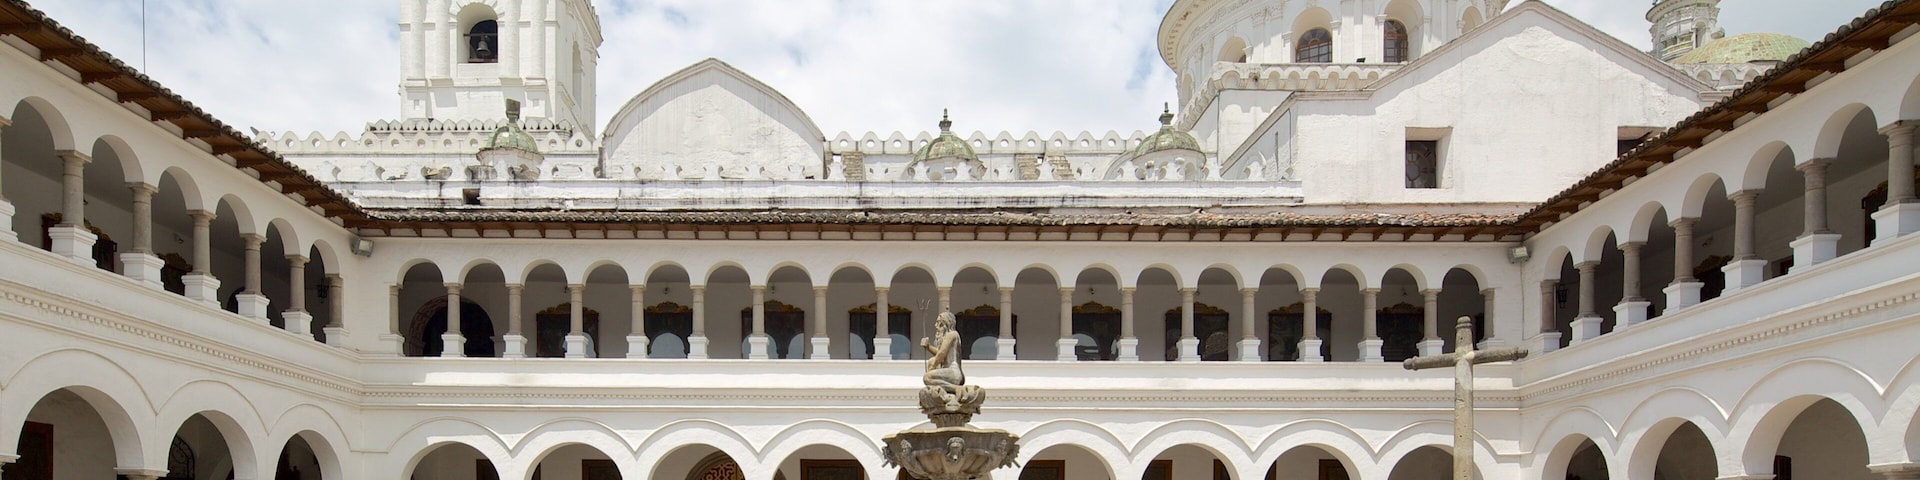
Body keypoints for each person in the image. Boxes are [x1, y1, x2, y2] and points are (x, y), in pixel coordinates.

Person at [922, 312, 965, 387]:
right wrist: (928, 346)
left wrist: (932, 366)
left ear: (945, 323)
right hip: (947, 370)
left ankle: (954, 388)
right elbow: (940, 353)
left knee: (927, 377)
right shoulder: (949, 335)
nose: (936, 326)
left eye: (938, 323)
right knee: (931, 361)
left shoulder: (952, 334)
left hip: (953, 372)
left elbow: (942, 353)